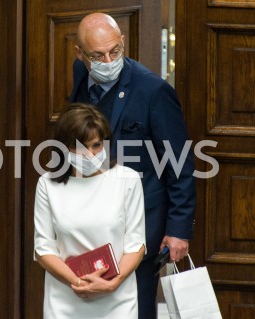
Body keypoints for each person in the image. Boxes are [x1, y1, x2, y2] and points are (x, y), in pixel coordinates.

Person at [70, 13, 196, 319]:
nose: (108, 60)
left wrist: (178, 229)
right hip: (91, 216)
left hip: (140, 222)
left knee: (135, 308)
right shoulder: (80, 73)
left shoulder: (153, 91)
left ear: (123, 42)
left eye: (115, 51)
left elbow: (179, 162)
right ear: (79, 54)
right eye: (97, 55)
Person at [33, 103, 146, 318]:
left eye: (96, 145)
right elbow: (43, 248)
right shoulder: (47, 185)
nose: (91, 154)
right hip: (66, 299)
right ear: (64, 146)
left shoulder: (127, 179)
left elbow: (136, 244)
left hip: (117, 299)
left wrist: (113, 283)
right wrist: (80, 283)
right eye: (82, 147)